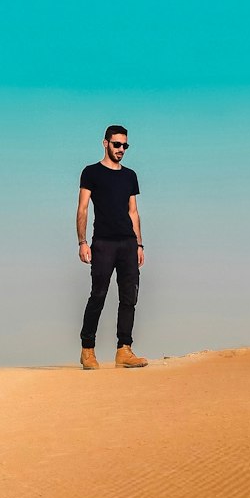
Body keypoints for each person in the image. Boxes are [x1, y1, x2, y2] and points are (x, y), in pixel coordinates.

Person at [77, 125, 148, 369]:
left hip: (128, 242)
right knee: (98, 294)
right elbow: (83, 208)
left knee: (129, 296)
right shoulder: (91, 172)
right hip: (103, 243)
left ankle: (124, 350)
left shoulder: (130, 176)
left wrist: (139, 243)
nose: (121, 150)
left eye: (125, 146)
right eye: (117, 144)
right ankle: (88, 350)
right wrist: (82, 241)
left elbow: (133, 211)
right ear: (105, 143)